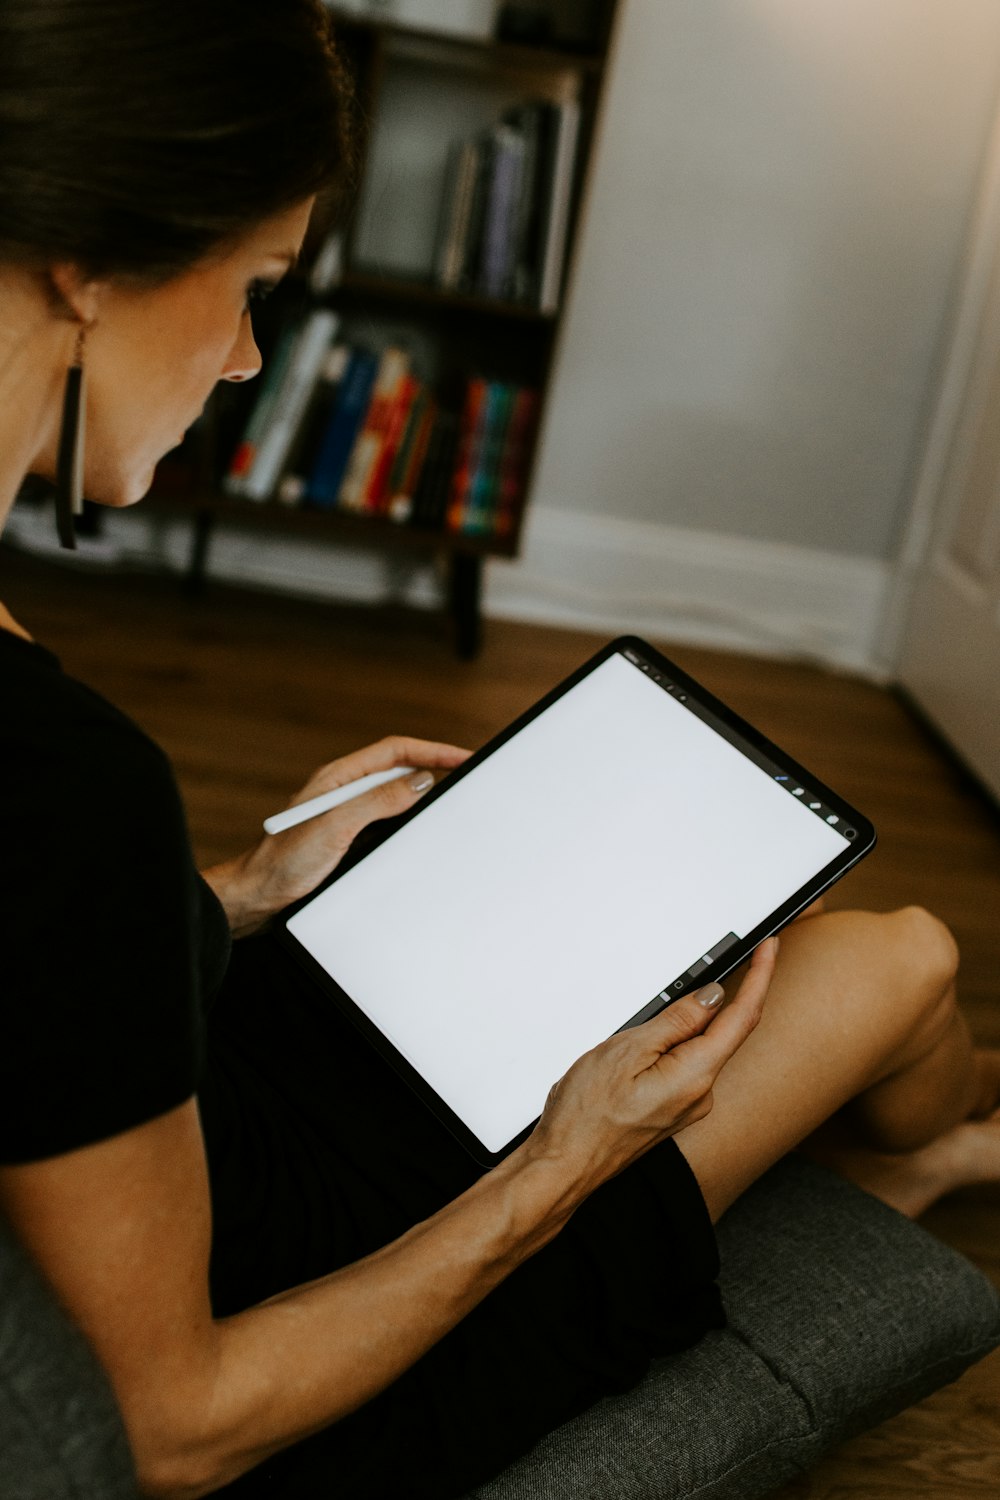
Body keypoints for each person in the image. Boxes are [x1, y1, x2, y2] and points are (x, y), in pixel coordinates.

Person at [1, 3, 999, 1496]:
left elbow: (33, 980)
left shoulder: (54, 789)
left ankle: (916, 1160)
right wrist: (568, 1163)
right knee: (899, 955)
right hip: (289, 1330)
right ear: (87, 263)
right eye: (255, 286)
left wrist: (243, 887)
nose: (242, 361)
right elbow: (171, 1430)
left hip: (211, 1108)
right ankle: (925, 1161)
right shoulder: (61, 782)